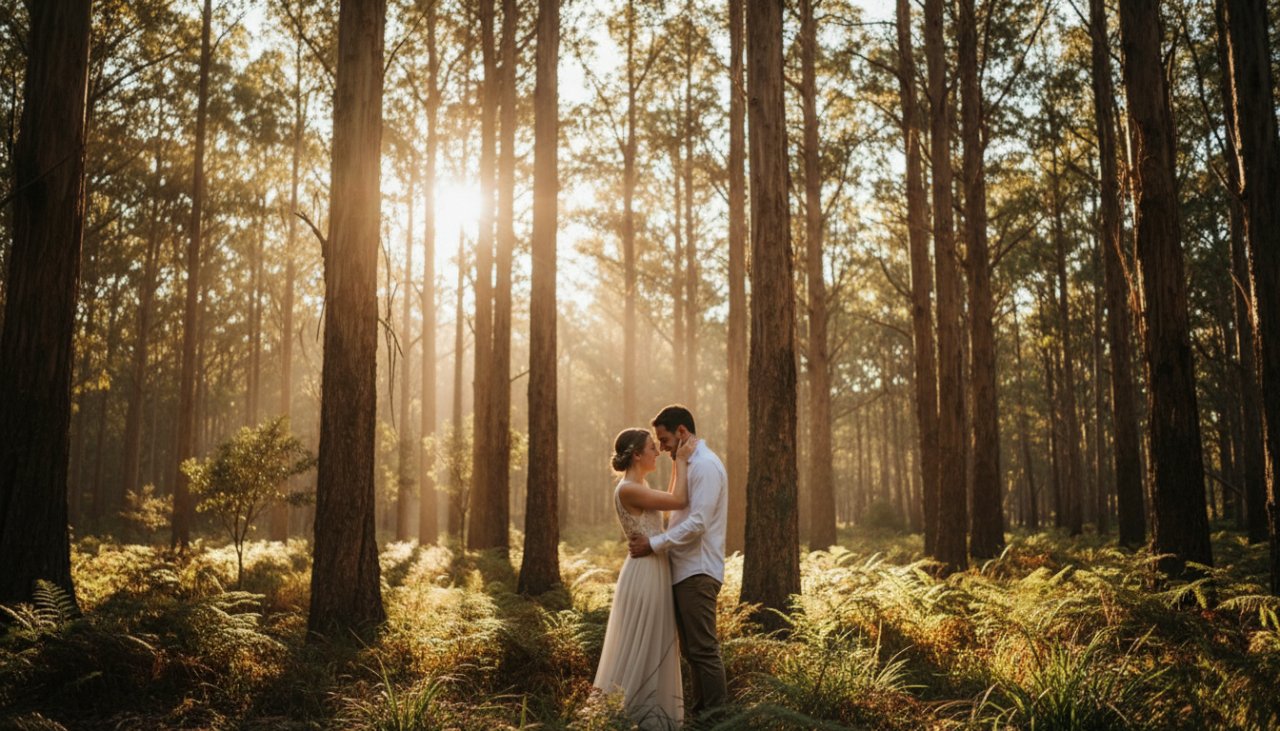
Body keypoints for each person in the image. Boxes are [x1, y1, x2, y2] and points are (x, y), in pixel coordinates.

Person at [629, 405, 729, 719]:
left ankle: (717, 720)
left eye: (665, 439)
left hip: (698, 571)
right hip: (684, 570)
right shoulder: (689, 464)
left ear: (682, 432)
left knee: (704, 651)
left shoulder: (706, 466)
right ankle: (701, 717)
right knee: (692, 652)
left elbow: (698, 523)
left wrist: (653, 544)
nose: (661, 448)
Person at [593, 427, 698, 729]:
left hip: (653, 567)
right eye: (653, 448)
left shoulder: (639, 484)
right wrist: (681, 458)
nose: (657, 453)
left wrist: (677, 462)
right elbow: (678, 500)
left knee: (653, 640)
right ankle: (631, 716)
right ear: (637, 455)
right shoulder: (628, 489)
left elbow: (669, 497)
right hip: (645, 572)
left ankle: (649, 715)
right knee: (642, 641)